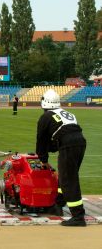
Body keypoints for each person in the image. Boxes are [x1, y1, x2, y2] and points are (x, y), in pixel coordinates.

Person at [36, 89, 87, 227]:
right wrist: (49, 150)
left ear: (44, 102)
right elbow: (59, 137)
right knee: (66, 177)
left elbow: (41, 141)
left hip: (69, 145)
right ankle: (58, 205)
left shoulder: (45, 117)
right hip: (80, 142)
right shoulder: (68, 114)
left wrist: (43, 159)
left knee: (69, 180)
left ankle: (78, 216)